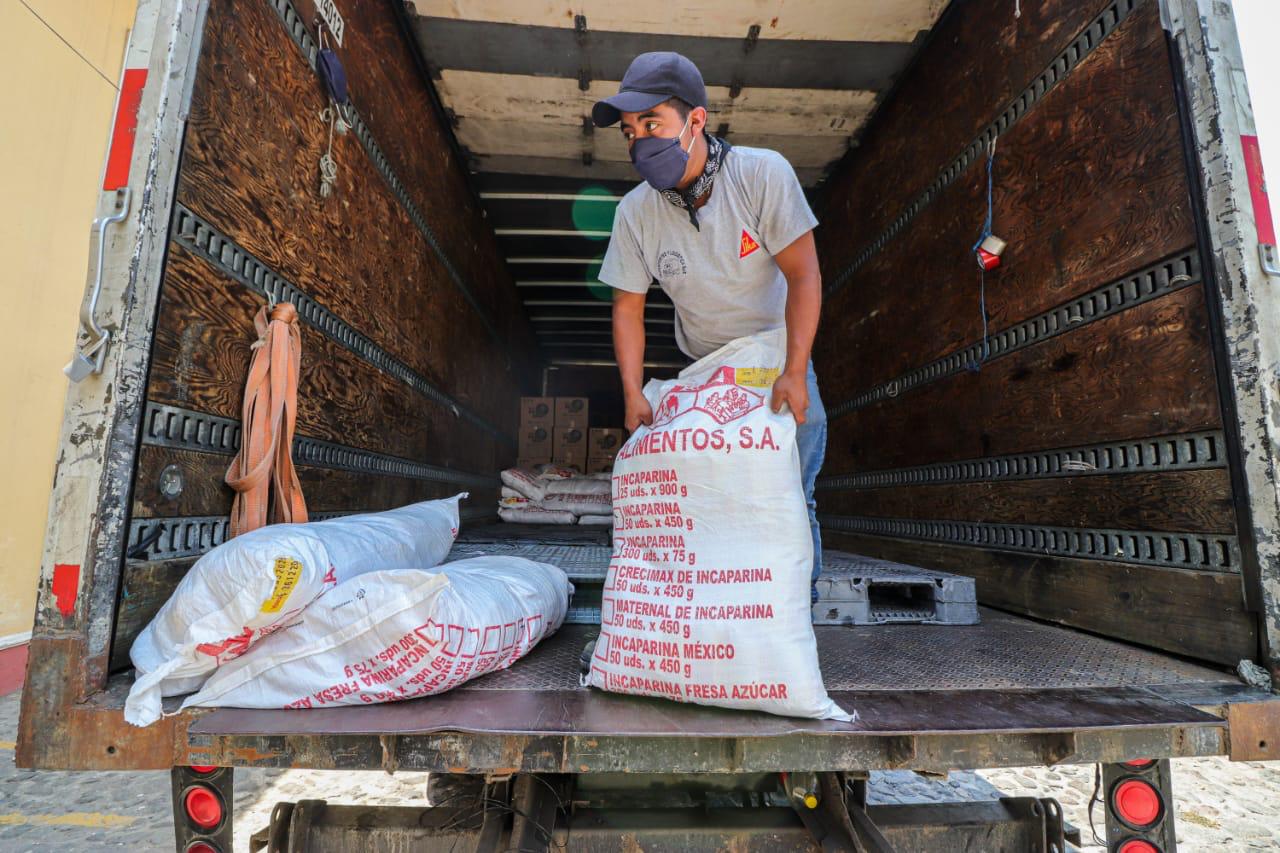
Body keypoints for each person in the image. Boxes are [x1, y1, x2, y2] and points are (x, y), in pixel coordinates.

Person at [593, 51, 826, 600]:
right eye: (629, 132)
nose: (639, 142)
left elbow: (804, 275)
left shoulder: (761, 175)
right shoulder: (635, 212)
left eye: (652, 124)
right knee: (712, 496)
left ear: (696, 122)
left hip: (775, 358)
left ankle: (794, 617)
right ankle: (725, 613)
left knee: (792, 492)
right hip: (705, 371)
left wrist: (795, 370)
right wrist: (632, 392)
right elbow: (628, 307)